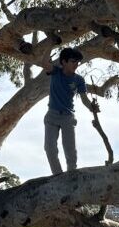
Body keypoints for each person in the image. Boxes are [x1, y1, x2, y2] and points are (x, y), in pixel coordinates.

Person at [40, 47, 99, 175]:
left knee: (70, 152)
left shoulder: (79, 80)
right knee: (49, 148)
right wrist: (50, 42)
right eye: (73, 61)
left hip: (68, 117)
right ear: (64, 62)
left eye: (78, 62)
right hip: (52, 116)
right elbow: (44, 63)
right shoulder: (56, 72)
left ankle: (71, 177)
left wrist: (92, 107)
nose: (76, 65)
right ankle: (57, 176)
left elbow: (84, 99)